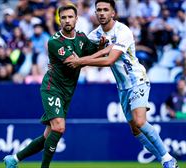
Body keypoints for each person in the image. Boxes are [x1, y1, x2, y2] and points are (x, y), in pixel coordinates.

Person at [65, 1, 179, 168]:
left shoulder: (123, 31)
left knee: (140, 121)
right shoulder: (95, 35)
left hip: (137, 80)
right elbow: (77, 50)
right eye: (99, 10)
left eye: (105, 10)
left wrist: (80, 62)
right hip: (123, 87)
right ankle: (164, 160)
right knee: (136, 130)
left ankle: (168, 159)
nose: (102, 13)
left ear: (113, 13)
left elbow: (109, 59)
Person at [3, 4, 110, 168]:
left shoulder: (81, 37)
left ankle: (14, 159)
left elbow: (90, 53)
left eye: (70, 17)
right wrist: (103, 53)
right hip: (52, 88)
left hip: (67, 91)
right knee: (59, 128)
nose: (67, 20)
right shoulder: (54, 41)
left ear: (76, 19)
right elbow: (74, 63)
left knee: (49, 135)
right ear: (59, 20)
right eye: (64, 17)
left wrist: (101, 46)